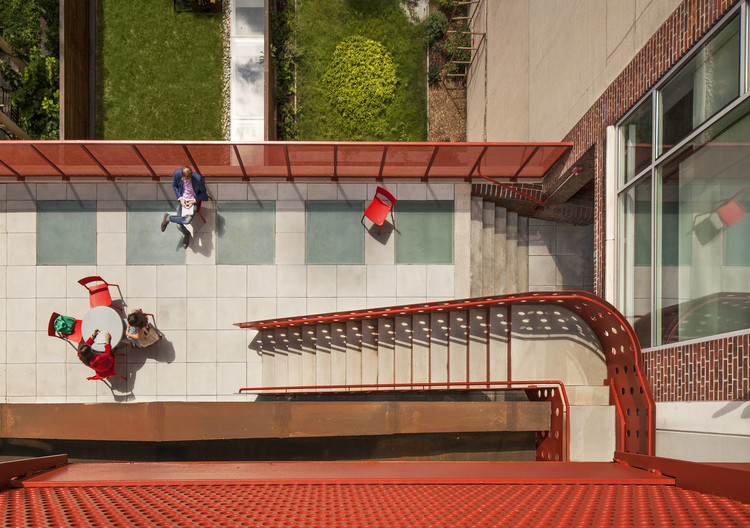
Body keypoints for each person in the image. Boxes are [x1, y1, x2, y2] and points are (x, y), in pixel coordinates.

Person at [160, 165, 208, 249]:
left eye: (188, 179)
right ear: (181, 175)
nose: (186, 181)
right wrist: (181, 199)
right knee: (179, 226)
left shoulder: (198, 178)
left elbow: (203, 192)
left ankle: (168, 218)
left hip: (193, 201)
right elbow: (175, 186)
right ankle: (186, 234)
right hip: (182, 200)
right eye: (184, 179)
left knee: (186, 221)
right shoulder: (177, 174)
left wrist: (194, 200)